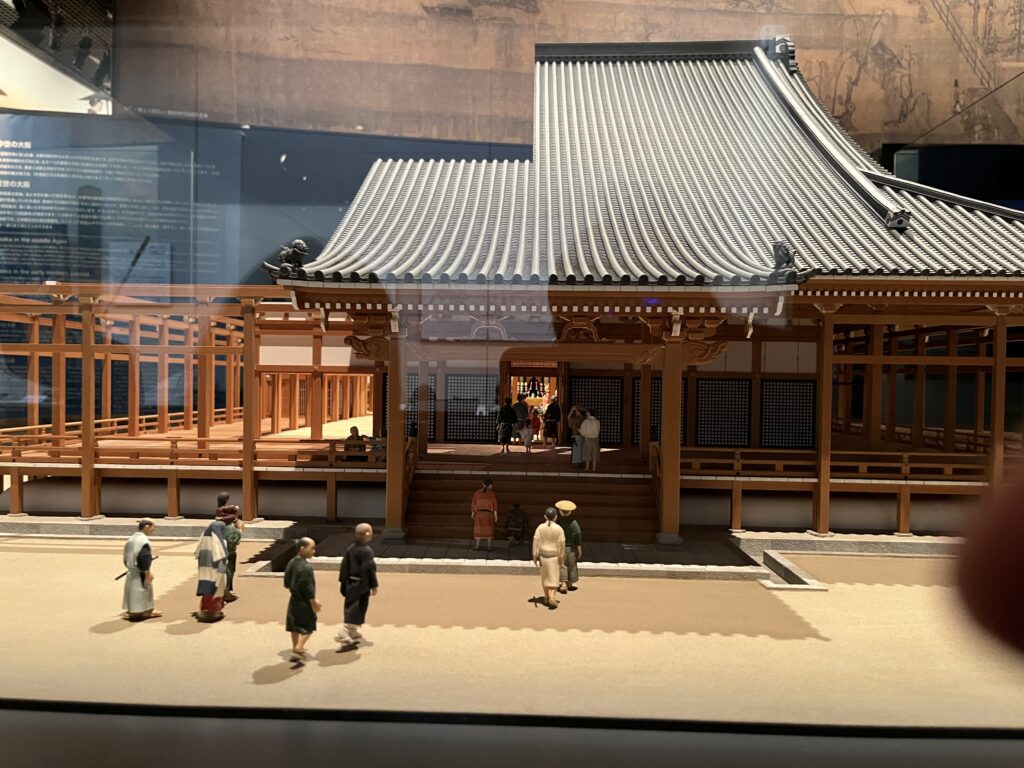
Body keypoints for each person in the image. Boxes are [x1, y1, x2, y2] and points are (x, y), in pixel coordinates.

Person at [335, 523, 379, 649]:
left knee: (352, 606)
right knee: (357, 607)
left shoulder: (350, 548)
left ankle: (352, 631)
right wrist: (374, 585)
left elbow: (344, 567)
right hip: (361, 584)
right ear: (367, 534)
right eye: (371, 531)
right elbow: (369, 569)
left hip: (350, 582)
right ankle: (344, 631)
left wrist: (343, 582)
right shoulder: (367, 551)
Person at [284, 537, 320, 660]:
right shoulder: (306, 567)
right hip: (305, 601)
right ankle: (299, 646)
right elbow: (308, 587)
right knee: (309, 625)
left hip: (294, 598)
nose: (314, 551)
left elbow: (286, 582)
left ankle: (295, 648)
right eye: (312, 548)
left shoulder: (291, 562)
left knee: (294, 625)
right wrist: (313, 601)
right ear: (302, 548)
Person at [121, 518, 162, 621]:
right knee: (143, 591)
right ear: (147, 527)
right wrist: (147, 572)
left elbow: (126, 557)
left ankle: (131, 611)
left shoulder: (131, 539)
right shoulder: (143, 541)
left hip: (132, 570)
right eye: (153, 527)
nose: (154, 529)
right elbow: (143, 557)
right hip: (140, 572)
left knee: (132, 592)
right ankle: (146, 611)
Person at [194, 514, 229, 622]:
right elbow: (222, 556)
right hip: (216, 568)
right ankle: (213, 612)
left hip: (205, 569)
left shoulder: (205, 541)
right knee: (217, 588)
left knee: (208, 589)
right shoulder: (218, 544)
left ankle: (205, 610)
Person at [533, 507, 566, 609]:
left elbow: (536, 542)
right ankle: (552, 596)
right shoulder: (559, 529)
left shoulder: (540, 528)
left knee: (545, 578)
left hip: (543, 556)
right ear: (556, 517)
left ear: (545, 516)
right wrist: (561, 559)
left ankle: (546, 597)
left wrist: (534, 556)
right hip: (554, 556)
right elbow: (562, 545)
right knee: (554, 579)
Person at [216, 493, 243, 603]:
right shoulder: (229, 528)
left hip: (217, 552)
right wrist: (240, 530)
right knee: (229, 570)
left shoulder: (216, 524)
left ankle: (225, 590)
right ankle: (226, 591)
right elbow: (233, 541)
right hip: (228, 553)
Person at [555, 500, 583, 594]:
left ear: (560, 511)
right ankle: (570, 583)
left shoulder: (558, 522)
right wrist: (579, 548)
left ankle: (563, 583)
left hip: (560, 547)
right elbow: (578, 534)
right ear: (571, 511)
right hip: (571, 548)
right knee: (572, 565)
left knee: (562, 565)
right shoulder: (574, 523)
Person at [471, 477, 498, 550]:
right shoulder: (492, 494)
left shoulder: (477, 493)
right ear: (490, 485)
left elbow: (473, 503)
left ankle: (477, 545)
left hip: (479, 514)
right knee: (489, 529)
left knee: (478, 530)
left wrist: (472, 513)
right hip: (488, 514)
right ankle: (489, 546)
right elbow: (495, 506)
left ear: (483, 484)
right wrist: (496, 516)